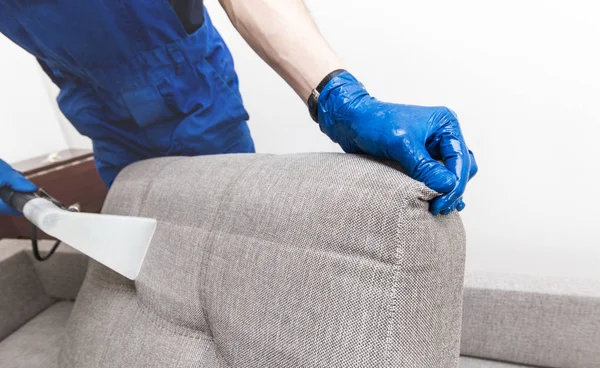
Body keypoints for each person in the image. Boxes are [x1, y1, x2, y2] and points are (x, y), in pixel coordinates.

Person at [0, 0, 477, 217]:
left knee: (234, 228)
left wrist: (337, 94)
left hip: (185, 89)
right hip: (92, 106)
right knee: (143, 237)